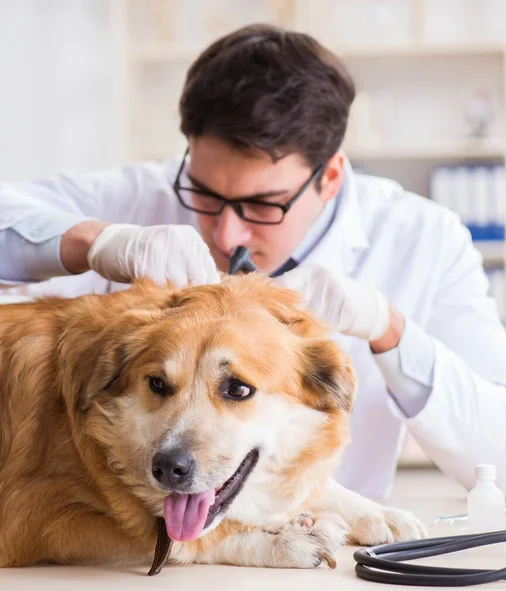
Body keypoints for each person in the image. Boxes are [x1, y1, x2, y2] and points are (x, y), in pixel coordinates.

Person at [1, 23, 506, 500]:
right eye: (203, 193)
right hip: (137, 545)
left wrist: (390, 330)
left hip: (323, 558)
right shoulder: (142, 194)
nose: (226, 233)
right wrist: (94, 242)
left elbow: (497, 458)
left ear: (330, 176)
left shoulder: (423, 238)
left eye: (263, 205)